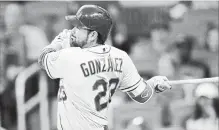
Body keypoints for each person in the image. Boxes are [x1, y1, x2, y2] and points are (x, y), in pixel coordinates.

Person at [38, 5, 172, 130]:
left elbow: (43, 59)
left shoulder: (71, 56)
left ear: (93, 35)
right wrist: (153, 84)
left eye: (79, 28)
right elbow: (142, 96)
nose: (73, 31)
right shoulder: (120, 56)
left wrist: (58, 42)